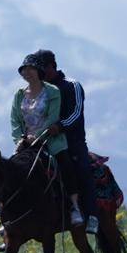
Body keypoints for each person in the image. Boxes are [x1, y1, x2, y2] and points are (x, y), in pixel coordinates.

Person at [37, 48, 100, 233]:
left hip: (72, 142)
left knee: (83, 171)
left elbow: (76, 113)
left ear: (52, 66)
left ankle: (92, 216)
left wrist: (60, 126)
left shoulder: (72, 85)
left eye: (43, 69)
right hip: (46, 143)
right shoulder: (39, 91)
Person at [11, 52, 65, 161]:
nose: (27, 72)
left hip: (49, 141)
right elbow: (15, 120)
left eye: (31, 69)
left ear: (39, 71)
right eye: (24, 69)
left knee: (66, 166)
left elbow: (52, 118)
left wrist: (36, 137)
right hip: (25, 144)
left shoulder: (53, 92)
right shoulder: (19, 94)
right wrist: (20, 140)